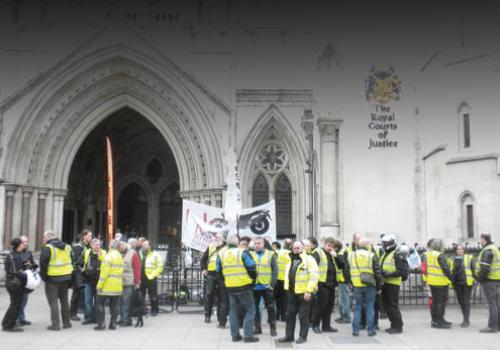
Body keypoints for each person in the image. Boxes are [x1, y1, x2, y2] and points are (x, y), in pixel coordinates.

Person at [217, 234, 259, 343]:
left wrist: (226, 281)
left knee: (233, 310)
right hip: (244, 285)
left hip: (230, 286)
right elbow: (252, 267)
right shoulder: (242, 252)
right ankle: (248, 336)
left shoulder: (221, 254)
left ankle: (235, 335)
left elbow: (218, 271)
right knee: (250, 309)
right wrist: (253, 279)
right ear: (237, 242)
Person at [278, 240, 319, 345]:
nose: (295, 249)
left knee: (303, 316)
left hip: (304, 293)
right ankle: (289, 336)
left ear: (303, 248)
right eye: (294, 247)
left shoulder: (309, 260)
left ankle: (302, 336)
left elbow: (314, 276)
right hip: (292, 292)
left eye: (298, 247)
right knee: (289, 315)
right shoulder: (289, 259)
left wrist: (309, 291)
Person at [346, 238, 382, 337]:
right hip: (370, 284)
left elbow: (347, 269)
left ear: (358, 246)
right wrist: (379, 286)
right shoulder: (371, 256)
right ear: (367, 246)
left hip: (357, 284)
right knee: (370, 307)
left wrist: (349, 282)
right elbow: (377, 272)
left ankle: (355, 330)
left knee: (358, 307)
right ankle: (370, 330)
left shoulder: (351, 255)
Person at [40, 230, 74, 331]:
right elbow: (72, 260)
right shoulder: (67, 247)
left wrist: (44, 277)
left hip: (52, 278)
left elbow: (43, 264)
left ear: (48, 237)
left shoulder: (48, 248)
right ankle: (67, 323)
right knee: (64, 300)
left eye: (44, 237)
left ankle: (55, 324)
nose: (43, 239)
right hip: (66, 277)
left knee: (53, 301)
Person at [380, 234, 408, 334]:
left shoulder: (397, 254)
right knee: (387, 306)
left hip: (393, 284)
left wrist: (390, 274)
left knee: (392, 306)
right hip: (386, 283)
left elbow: (403, 271)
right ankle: (393, 324)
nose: (384, 244)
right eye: (383, 243)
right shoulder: (385, 254)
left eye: (386, 243)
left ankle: (398, 326)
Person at [251, 237, 278, 336]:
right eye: (255, 243)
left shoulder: (270, 254)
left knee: (271, 308)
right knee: (255, 308)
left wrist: (272, 284)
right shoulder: (250, 254)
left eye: (259, 243)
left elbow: (275, 270)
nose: (257, 245)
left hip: (266, 286)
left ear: (263, 244)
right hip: (254, 286)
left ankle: (273, 328)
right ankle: (257, 328)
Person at [311, 237, 339, 334]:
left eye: (332, 246)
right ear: (324, 244)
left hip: (331, 284)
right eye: (328, 246)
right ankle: (315, 325)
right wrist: (315, 284)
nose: (330, 248)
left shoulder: (332, 254)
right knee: (320, 306)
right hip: (322, 284)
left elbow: (340, 265)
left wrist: (335, 256)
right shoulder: (318, 253)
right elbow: (312, 268)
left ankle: (326, 326)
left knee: (329, 306)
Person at [95, 239, 123, 330]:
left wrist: (99, 285)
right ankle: (113, 324)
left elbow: (104, 273)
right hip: (117, 285)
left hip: (107, 285)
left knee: (100, 304)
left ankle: (101, 324)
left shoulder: (109, 256)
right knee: (114, 305)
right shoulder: (120, 256)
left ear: (111, 246)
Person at [201, 231, 228, 327]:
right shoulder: (211, 245)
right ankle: (207, 315)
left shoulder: (227, 247)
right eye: (216, 237)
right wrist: (203, 268)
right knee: (209, 295)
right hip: (211, 273)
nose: (216, 238)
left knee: (221, 296)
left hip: (222, 274)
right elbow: (204, 258)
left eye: (218, 237)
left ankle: (220, 317)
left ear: (223, 239)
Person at [475, 232, 500, 333]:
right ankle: (498, 325)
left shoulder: (487, 250)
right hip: (497, 279)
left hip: (490, 281)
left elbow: (485, 268)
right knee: (497, 304)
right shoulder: (495, 249)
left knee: (492, 304)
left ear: (483, 239)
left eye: (480, 239)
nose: (480, 241)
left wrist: (479, 279)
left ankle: (492, 326)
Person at [426, 238, 453, 329]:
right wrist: (452, 278)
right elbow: (445, 269)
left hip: (432, 282)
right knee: (441, 302)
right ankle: (440, 321)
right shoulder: (440, 255)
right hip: (441, 282)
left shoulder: (429, 255)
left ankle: (434, 320)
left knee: (435, 302)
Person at [2, 238, 26, 332]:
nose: (23, 245)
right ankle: (10, 325)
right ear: (18, 245)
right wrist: (27, 275)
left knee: (13, 304)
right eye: (22, 244)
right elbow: (17, 271)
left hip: (11, 282)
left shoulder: (11, 255)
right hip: (15, 283)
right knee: (16, 305)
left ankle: (5, 323)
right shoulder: (15, 256)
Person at [81, 238, 106, 324]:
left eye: (98, 245)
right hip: (88, 281)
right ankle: (89, 317)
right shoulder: (87, 252)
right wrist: (83, 273)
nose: (97, 247)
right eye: (95, 245)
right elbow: (80, 263)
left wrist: (100, 255)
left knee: (97, 301)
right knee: (87, 301)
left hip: (99, 281)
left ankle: (96, 318)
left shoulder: (104, 253)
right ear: (91, 245)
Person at [70, 229, 92, 321]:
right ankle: (72, 313)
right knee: (76, 293)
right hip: (78, 273)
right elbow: (77, 261)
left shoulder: (88, 246)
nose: (91, 237)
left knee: (81, 293)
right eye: (89, 235)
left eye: (91, 236)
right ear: (84, 236)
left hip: (85, 273)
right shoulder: (79, 247)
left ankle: (80, 310)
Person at [450, 243, 474, 328]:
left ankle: (466, 320)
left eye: (462, 249)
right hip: (457, 283)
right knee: (461, 301)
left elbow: (473, 269)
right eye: (458, 249)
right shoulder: (453, 259)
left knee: (466, 301)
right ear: (456, 251)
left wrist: (475, 279)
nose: (460, 250)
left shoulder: (469, 257)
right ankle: (465, 318)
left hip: (467, 282)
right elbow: (452, 271)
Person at [119, 239, 141, 327]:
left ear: (124, 245)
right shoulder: (118, 253)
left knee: (126, 302)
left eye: (120, 246)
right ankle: (122, 318)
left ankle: (126, 319)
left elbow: (137, 268)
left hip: (129, 282)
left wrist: (137, 282)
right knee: (120, 302)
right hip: (119, 282)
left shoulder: (133, 253)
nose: (119, 248)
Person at [140, 240, 164, 316]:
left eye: (145, 245)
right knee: (141, 295)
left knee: (153, 295)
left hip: (151, 277)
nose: (143, 246)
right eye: (143, 245)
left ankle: (154, 310)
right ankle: (142, 310)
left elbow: (160, 266)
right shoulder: (140, 253)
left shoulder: (155, 254)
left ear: (149, 246)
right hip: (142, 277)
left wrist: (154, 275)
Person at [17, 235, 36, 327]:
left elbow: (34, 265)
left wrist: (31, 265)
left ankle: (21, 318)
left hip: (27, 280)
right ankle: (17, 319)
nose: (25, 243)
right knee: (17, 300)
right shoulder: (16, 253)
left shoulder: (29, 253)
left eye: (26, 242)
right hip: (18, 280)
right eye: (23, 242)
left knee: (24, 300)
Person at [275, 238, 292, 322]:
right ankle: (283, 316)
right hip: (286, 279)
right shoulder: (291, 254)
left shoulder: (278, 253)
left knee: (277, 298)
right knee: (285, 299)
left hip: (278, 279)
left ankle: (277, 315)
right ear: (291, 245)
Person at [334, 239, 351, 324]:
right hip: (341, 279)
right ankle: (343, 316)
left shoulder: (340, 254)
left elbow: (342, 265)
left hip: (343, 279)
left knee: (344, 299)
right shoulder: (341, 252)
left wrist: (335, 256)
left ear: (336, 247)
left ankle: (346, 317)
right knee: (342, 298)